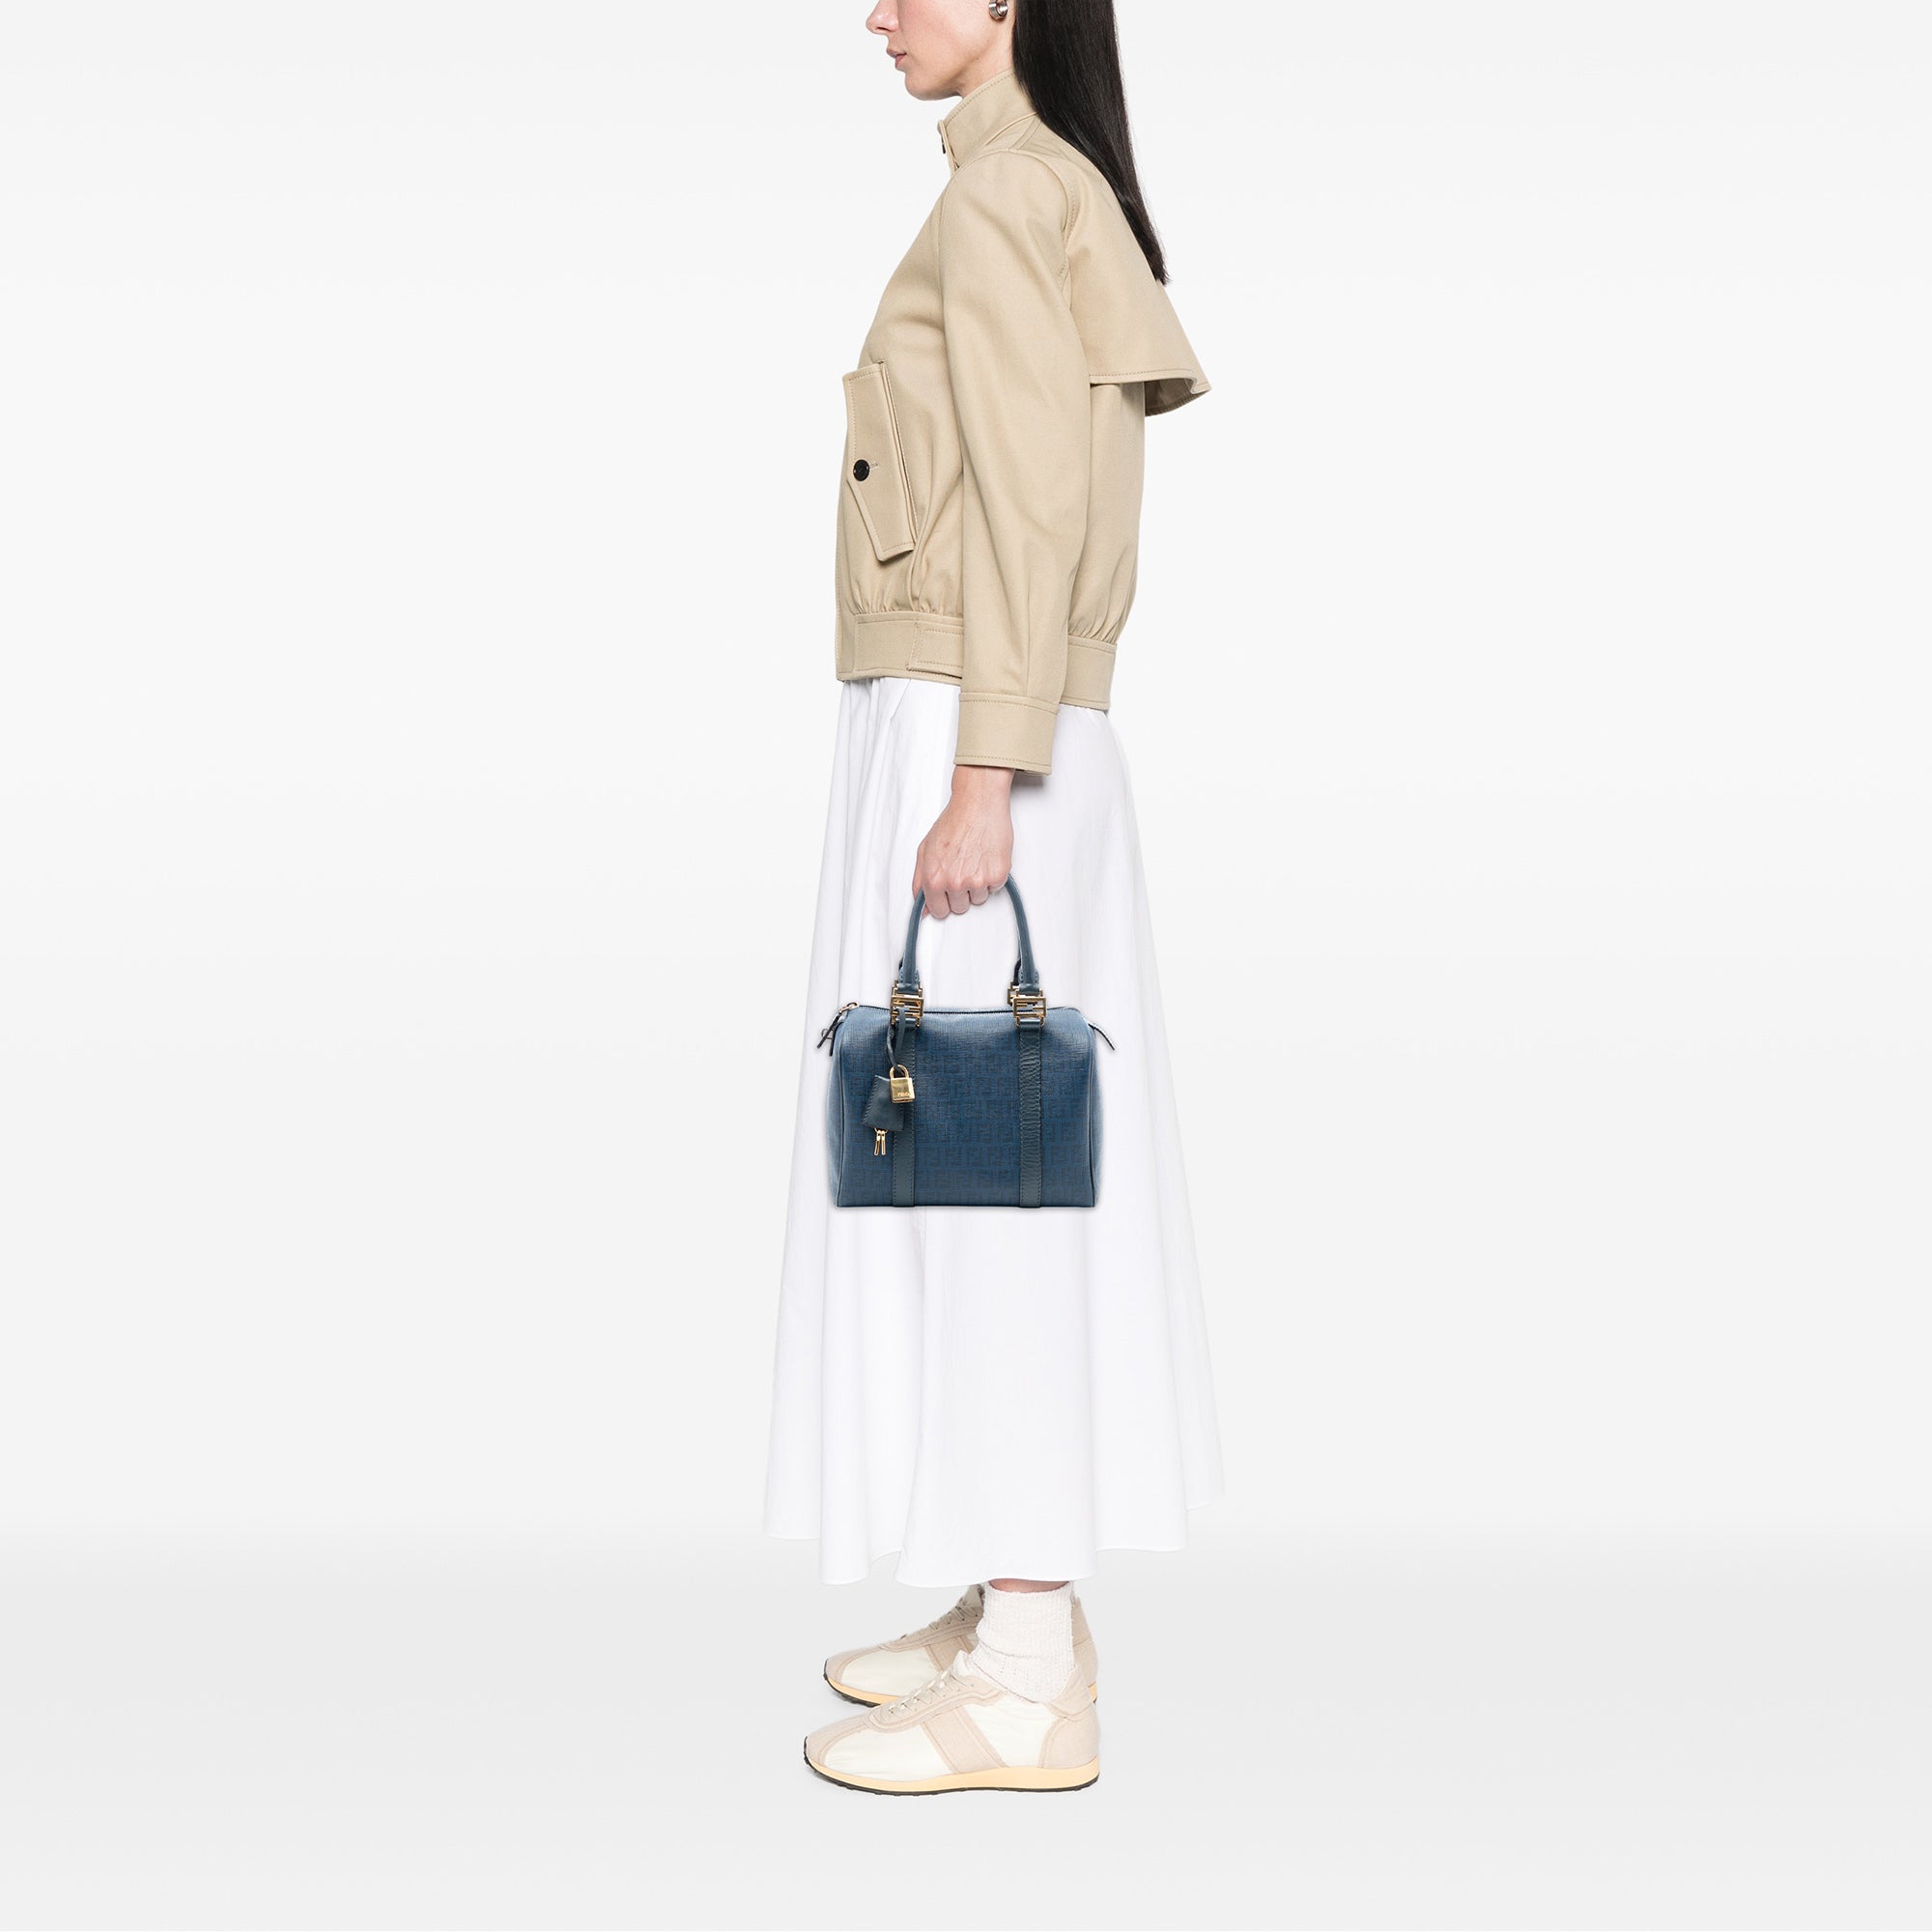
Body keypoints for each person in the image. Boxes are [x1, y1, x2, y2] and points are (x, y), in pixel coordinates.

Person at [763, 0, 1224, 1795]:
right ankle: (1010, 1607)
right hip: (989, 716)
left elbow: (1029, 505)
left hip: (975, 727)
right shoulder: (1039, 185)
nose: (877, 13)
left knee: (987, 1180)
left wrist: (980, 773)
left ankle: (1029, 1681)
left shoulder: (1008, 194)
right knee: (981, 1161)